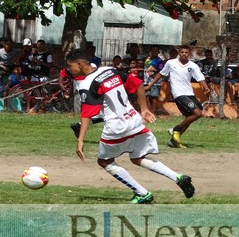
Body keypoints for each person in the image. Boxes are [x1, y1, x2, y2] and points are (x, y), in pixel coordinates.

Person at [66, 50, 195, 204]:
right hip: (134, 120)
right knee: (138, 157)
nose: (69, 70)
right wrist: (144, 109)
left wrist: (80, 139)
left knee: (104, 161)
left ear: (80, 65)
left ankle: (142, 193)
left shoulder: (87, 84)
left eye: (70, 66)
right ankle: (178, 178)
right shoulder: (109, 70)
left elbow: (87, 113)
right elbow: (138, 84)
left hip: (116, 127)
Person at [145, 45, 210, 149]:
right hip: (178, 93)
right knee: (197, 113)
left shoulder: (192, 65)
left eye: (186, 52)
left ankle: (173, 141)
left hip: (189, 93)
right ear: (179, 53)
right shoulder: (171, 63)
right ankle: (175, 129)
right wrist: (150, 85)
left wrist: (206, 87)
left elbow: (200, 77)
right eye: (182, 52)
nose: (184, 54)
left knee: (193, 115)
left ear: (189, 54)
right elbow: (161, 74)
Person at [143, 46, 165, 114]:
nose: (154, 52)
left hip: (155, 81)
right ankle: (148, 110)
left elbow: (161, 71)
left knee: (154, 96)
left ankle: (153, 111)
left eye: (156, 51)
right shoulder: (148, 59)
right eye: (152, 51)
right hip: (146, 80)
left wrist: (155, 70)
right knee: (147, 95)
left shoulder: (160, 61)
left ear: (158, 52)